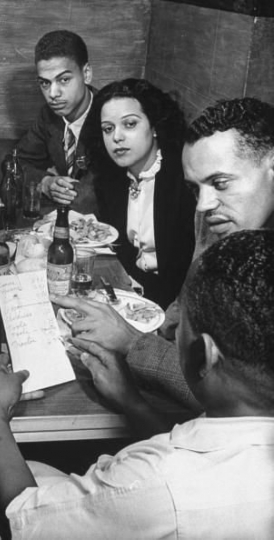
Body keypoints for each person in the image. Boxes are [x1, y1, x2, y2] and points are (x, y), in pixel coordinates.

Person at [0, 229, 274, 539]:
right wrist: (131, 403)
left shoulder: (151, 484)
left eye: (179, 325)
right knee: (33, 468)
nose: (171, 329)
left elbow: (16, 517)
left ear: (202, 355)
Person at [53, 96, 274, 413]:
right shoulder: (213, 215)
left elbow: (238, 398)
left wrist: (131, 343)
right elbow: (187, 299)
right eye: (196, 189)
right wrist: (150, 331)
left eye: (220, 183)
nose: (203, 205)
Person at [91, 78, 196, 308]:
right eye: (108, 129)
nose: (116, 137)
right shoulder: (112, 181)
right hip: (128, 292)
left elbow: (189, 270)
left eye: (129, 124)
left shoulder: (184, 181)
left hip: (174, 305)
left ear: (155, 126)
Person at [15, 30, 105, 214]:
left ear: (86, 74)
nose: (53, 94)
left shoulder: (109, 117)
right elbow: (16, 163)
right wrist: (45, 182)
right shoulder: (49, 116)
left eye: (64, 80)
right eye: (45, 83)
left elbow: (95, 195)